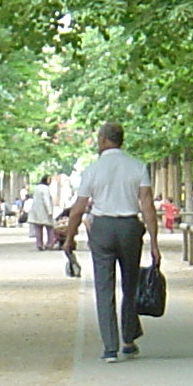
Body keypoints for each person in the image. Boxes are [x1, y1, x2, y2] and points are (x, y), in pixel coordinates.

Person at [57, 121, 162, 363]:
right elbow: (147, 206)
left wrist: (69, 238)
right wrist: (154, 243)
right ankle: (128, 339)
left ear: (104, 140)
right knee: (130, 283)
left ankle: (110, 347)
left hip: (102, 228)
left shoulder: (93, 170)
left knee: (104, 288)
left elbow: (78, 209)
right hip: (129, 228)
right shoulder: (137, 167)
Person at [24, 177, 57, 250]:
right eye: (49, 180)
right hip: (44, 211)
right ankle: (50, 244)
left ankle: (39, 244)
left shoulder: (37, 188)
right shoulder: (45, 188)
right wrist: (50, 211)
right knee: (50, 228)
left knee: (38, 228)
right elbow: (46, 200)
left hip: (36, 210)